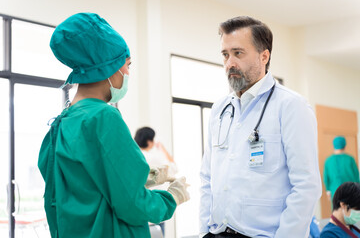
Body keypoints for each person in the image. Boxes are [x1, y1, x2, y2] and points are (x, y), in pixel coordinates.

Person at [38, 13, 189, 238]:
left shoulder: (62, 122)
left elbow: (85, 185)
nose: (127, 74)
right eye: (127, 65)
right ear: (109, 68)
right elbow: (132, 204)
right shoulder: (103, 117)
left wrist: (146, 176)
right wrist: (172, 198)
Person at [199, 16, 322, 238]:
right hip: (217, 233)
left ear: (264, 56)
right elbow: (207, 178)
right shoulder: (220, 109)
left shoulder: (291, 106)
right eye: (225, 55)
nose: (230, 63)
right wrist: (203, 232)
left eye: (238, 53)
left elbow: (306, 186)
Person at [134, 126, 178, 236]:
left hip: (138, 211)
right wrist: (162, 148)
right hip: (154, 209)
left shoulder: (133, 157)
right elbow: (174, 168)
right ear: (149, 141)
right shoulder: (153, 158)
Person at [324, 136, 359, 201]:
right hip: (350, 191)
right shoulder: (350, 159)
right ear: (344, 146)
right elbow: (356, 176)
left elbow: (326, 178)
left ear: (334, 145)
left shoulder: (328, 161)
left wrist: (328, 191)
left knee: (337, 210)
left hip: (335, 191)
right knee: (350, 209)